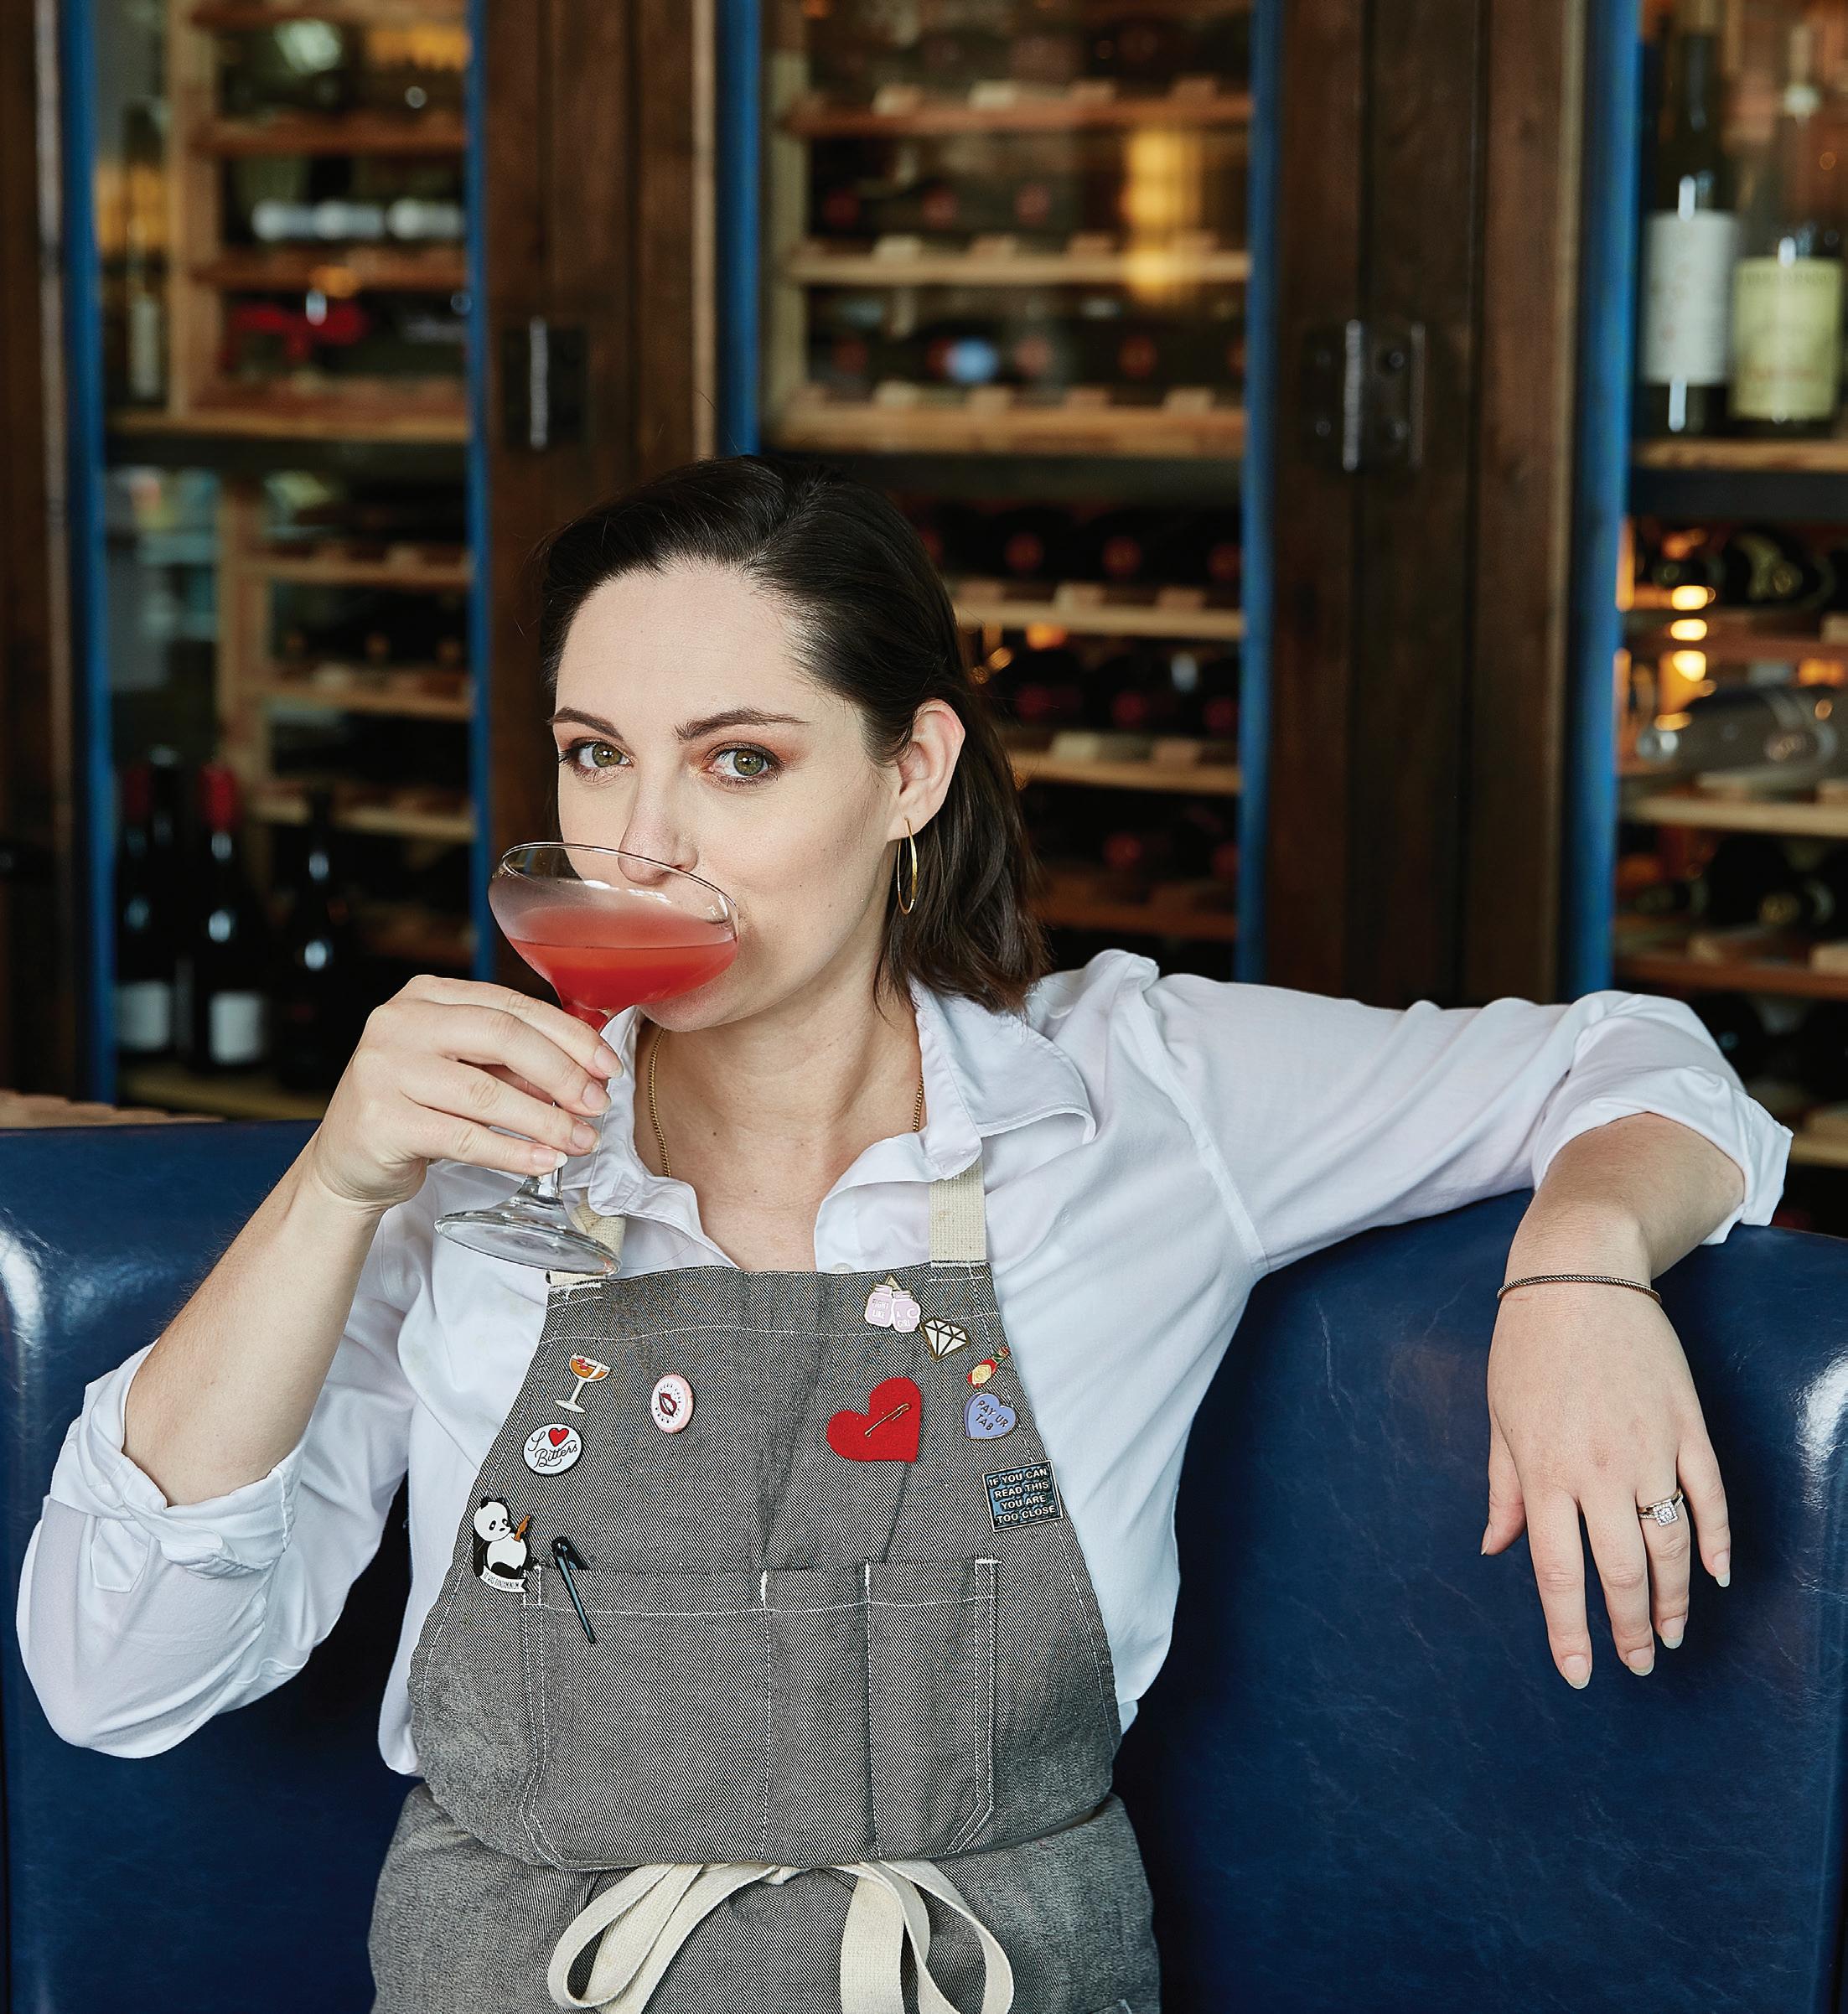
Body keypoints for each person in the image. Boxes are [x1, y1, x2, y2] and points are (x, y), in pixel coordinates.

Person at [17, 454, 1789, 2013]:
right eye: (594, 756)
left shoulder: (1133, 1093)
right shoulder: (464, 1158)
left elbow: (1640, 1061)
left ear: (909, 771)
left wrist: (1576, 1269)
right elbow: (117, 1675)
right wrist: (337, 1183)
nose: (640, 846)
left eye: (739, 761)